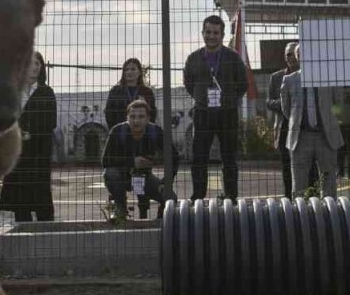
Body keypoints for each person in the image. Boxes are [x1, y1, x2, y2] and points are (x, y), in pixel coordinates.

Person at [182, 15, 249, 201]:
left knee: (229, 159)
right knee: (199, 158)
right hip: (202, 113)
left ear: (222, 34)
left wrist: (228, 100)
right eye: (208, 32)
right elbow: (188, 83)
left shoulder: (233, 57)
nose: (212, 36)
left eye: (216, 33)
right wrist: (201, 98)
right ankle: (198, 197)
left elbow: (243, 84)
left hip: (227, 114)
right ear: (203, 33)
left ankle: (231, 196)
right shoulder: (193, 58)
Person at [0, 51, 58, 222]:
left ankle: (46, 230)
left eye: (38, 64)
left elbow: (51, 121)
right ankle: (23, 229)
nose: (34, 67)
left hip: (39, 150)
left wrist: (31, 133)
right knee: (19, 195)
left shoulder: (46, 92)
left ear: (42, 68)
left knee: (41, 193)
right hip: (16, 150)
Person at [280, 44, 344, 198]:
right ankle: (299, 218)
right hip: (300, 138)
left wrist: (328, 120)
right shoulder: (289, 80)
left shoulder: (330, 77)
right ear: (298, 58)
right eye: (301, 55)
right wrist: (299, 122)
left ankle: (329, 215)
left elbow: (339, 101)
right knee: (299, 185)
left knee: (329, 183)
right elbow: (286, 109)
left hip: (326, 137)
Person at [101, 99, 171, 223]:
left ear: (148, 118)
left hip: (146, 177)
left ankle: (164, 218)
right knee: (110, 173)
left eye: (141, 116)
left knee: (170, 198)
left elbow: (173, 157)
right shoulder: (117, 131)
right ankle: (120, 209)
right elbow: (105, 160)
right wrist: (132, 162)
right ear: (127, 117)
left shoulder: (155, 131)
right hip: (122, 177)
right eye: (132, 116)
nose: (136, 120)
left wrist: (166, 180)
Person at [266, 41, 301, 198]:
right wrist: (286, 102)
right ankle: (288, 198)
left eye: (294, 53)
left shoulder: (308, 76)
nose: (291, 57)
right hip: (283, 129)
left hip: (304, 128)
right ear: (284, 57)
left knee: (308, 166)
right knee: (287, 167)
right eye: (288, 54)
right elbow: (269, 102)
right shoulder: (276, 77)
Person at [103, 58, 157, 129]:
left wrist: (147, 130)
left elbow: (152, 113)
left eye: (133, 69)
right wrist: (115, 131)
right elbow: (109, 113)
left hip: (142, 132)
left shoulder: (147, 91)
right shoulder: (116, 91)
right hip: (121, 132)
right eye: (126, 69)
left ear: (139, 72)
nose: (129, 72)